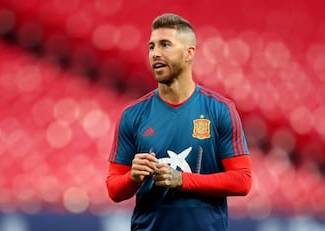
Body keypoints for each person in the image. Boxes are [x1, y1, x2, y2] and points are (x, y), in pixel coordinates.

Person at [106, 13, 252, 231]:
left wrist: (183, 180)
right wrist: (133, 177)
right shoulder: (133, 115)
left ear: (188, 53)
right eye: (152, 46)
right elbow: (114, 189)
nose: (155, 53)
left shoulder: (220, 110)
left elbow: (242, 180)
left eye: (165, 45)